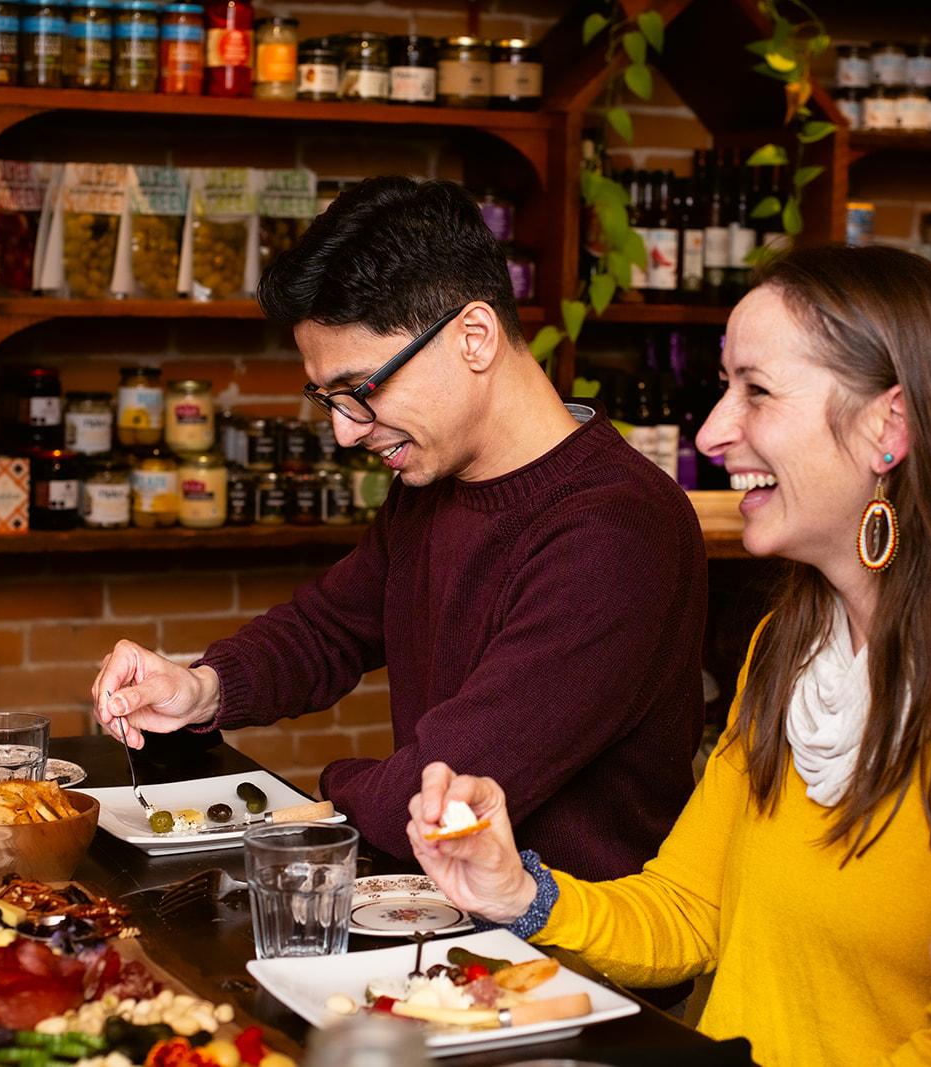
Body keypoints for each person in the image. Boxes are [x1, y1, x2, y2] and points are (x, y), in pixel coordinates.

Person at [409, 245, 931, 1066]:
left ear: (892, 426)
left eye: (756, 391)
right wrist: (519, 892)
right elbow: (690, 908)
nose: (712, 430)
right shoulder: (791, 649)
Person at [91, 175, 708, 885]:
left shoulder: (618, 533)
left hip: (570, 964)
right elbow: (329, 626)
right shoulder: (435, 478)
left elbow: (438, 793)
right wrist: (203, 687)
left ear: (473, 336)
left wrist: (319, 793)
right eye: (325, 399)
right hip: (442, 919)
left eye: (361, 389)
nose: (344, 431)